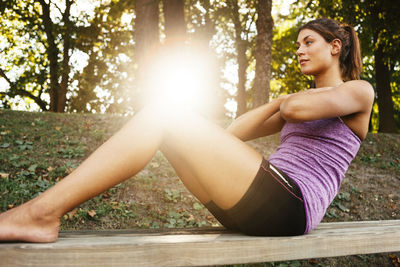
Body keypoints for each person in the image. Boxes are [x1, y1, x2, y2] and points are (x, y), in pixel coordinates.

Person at [0, 17, 374, 242]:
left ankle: (42, 214)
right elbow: (234, 132)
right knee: (166, 124)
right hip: (267, 202)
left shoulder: (358, 91)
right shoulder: (301, 105)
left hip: (293, 206)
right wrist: (279, 104)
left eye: (308, 42)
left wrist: (283, 105)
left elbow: (292, 106)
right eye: (297, 45)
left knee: (164, 112)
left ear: (335, 47)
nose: (299, 50)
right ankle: (40, 212)